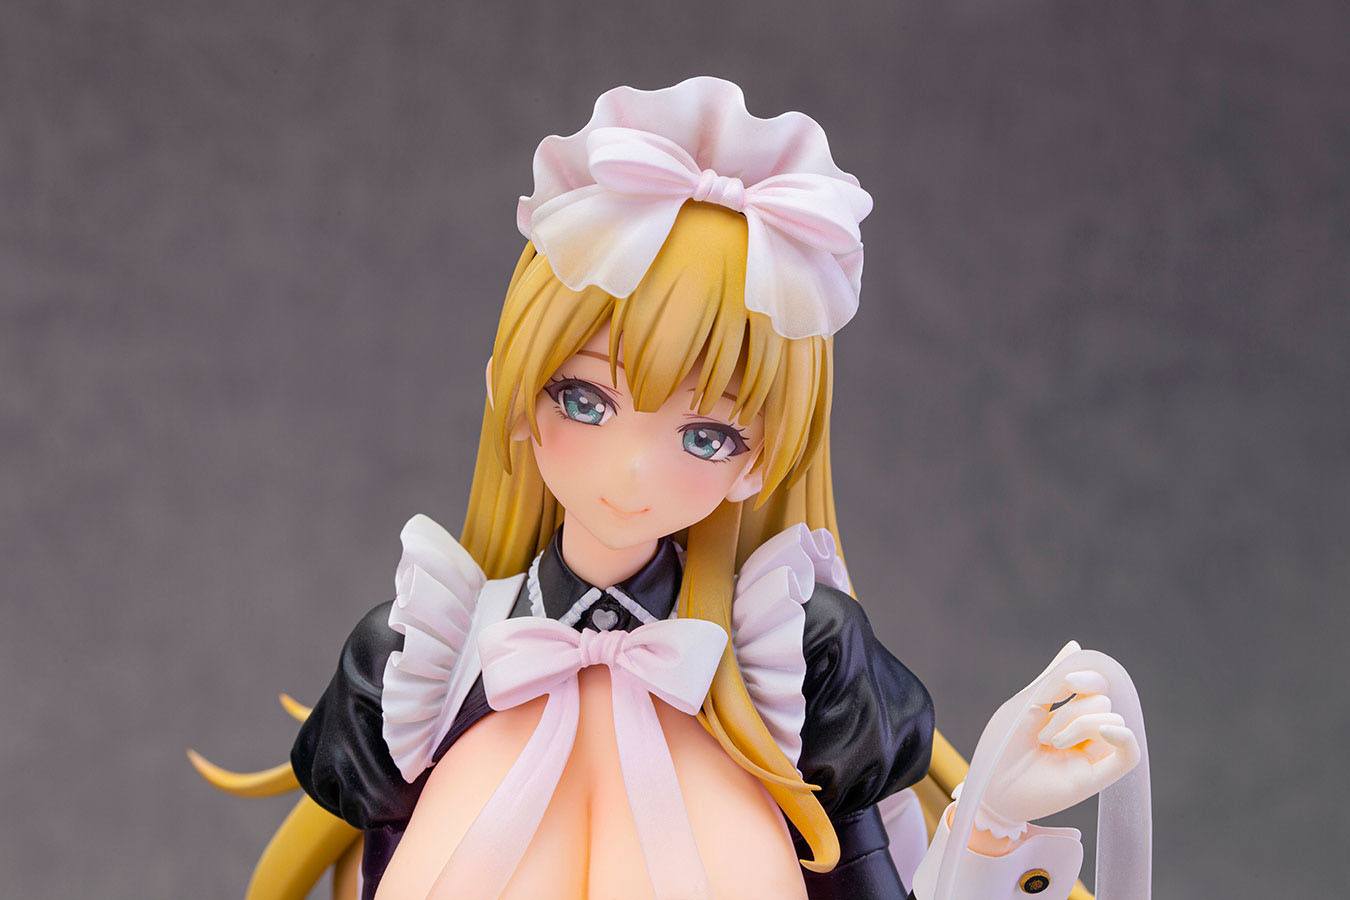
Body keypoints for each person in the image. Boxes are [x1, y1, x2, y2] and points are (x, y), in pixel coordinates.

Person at [193, 77, 1149, 900]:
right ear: (511, 394)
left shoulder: (795, 665)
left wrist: (993, 823)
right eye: (585, 400)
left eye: (704, 434)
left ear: (764, 457)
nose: (632, 471)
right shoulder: (420, 663)